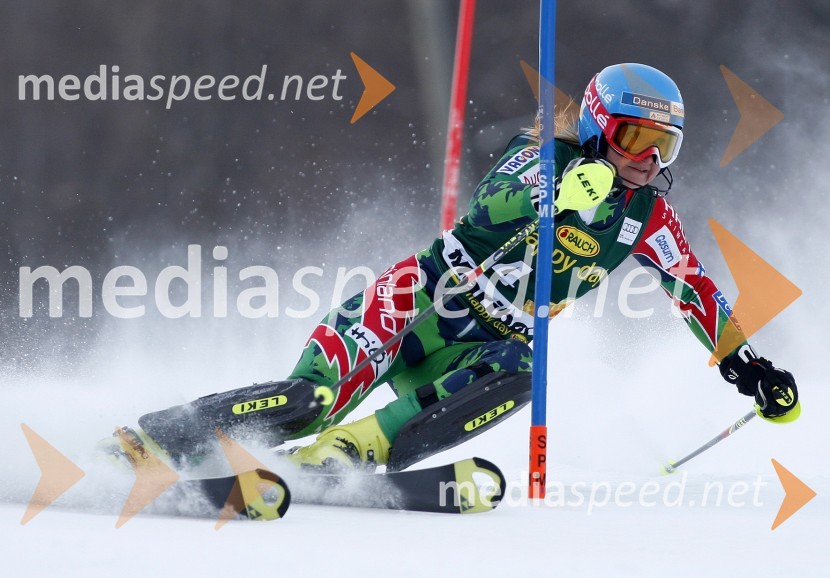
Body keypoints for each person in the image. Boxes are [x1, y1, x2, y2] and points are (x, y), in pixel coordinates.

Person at [119, 63, 800, 473]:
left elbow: (697, 292)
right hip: (415, 305)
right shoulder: (544, 156)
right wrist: (556, 194)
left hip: (476, 350)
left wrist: (751, 371)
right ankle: (154, 438)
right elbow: (488, 206)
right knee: (307, 403)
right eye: (634, 140)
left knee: (523, 370)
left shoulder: (646, 216)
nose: (646, 160)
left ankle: (351, 454)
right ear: (597, 126)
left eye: (663, 146)